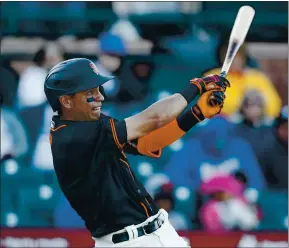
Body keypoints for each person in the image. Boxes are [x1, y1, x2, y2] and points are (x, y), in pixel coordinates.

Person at [44, 58, 229, 247]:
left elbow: (146, 143)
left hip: (159, 231)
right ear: (66, 100)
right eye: (89, 92)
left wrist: (195, 114)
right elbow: (156, 117)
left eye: (98, 89)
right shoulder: (73, 135)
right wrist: (197, 87)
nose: (100, 96)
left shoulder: (86, 123)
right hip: (126, 242)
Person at [204, 41, 281, 118]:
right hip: (225, 123)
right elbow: (214, 105)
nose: (235, 60)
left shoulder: (258, 77)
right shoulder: (212, 77)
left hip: (256, 122)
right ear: (222, 57)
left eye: (238, 56)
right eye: (231, 56)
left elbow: (274, 106)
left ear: (244, 57)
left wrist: (255, 112)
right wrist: (244, 107)